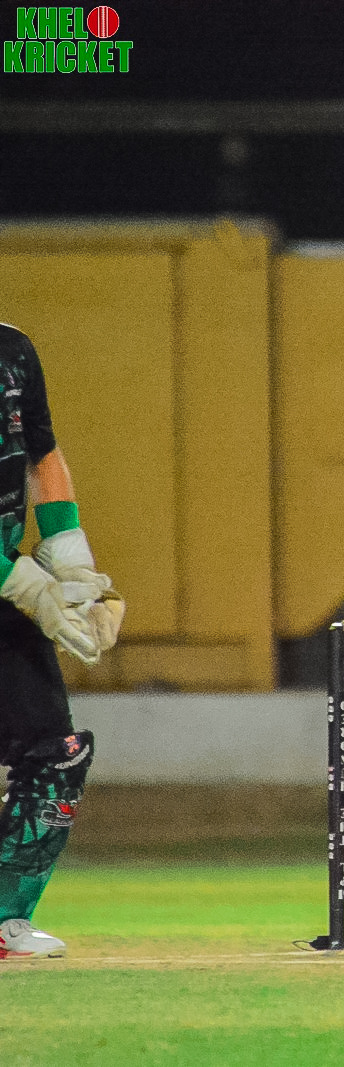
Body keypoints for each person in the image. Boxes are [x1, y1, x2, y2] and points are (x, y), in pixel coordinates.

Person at [0, 323, 124, 958]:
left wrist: (72, 569)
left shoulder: (13, 351)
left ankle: (4, 918)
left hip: (3, 579)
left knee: (56, 756)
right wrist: (24, 584)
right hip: (7, 577)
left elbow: (42, 455)